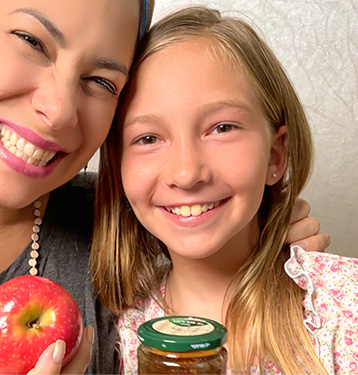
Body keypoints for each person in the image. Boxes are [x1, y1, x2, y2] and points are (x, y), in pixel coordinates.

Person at [0, 1, 327, 374]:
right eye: (32, 42)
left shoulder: (117, 226)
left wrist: (278, 234)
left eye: (102, 82)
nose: (60, 110)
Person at [91, 6, 355, 374]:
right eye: (148, 138)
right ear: (117, 168)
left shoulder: (346, 307)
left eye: (222, 128)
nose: (186, 173)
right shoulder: (109, 337)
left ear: (275, 155)